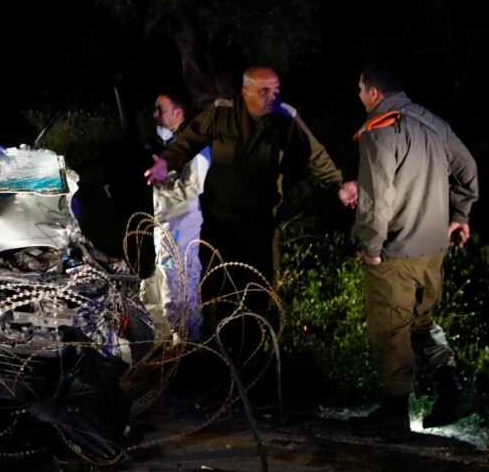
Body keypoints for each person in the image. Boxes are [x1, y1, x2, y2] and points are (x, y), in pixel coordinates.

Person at [144, 66, 358, 363]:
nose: (273, 96)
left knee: (257, 290)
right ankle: (218, 357)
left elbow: (313, 153)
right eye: (264, 91)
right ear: (245, 93)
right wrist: (166, 162)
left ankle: (252, 359)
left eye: (276, 89)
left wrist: (337, 182)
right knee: (218, 290)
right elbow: (189, 139)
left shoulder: (285, 119)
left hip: (260, 224)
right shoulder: (221, 114)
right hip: (220, 222)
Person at [348, 62, 479, 439]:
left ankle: (394, 411)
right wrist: (460, 215)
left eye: (360, 90)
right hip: (434, 246)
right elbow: (468, 167)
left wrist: (371, 246)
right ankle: (452, 391)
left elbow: (377, 195)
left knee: (390, 328)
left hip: (396, 251)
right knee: (422, 323)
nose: (359, 97)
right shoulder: (433, 123)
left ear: (374, 93)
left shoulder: (379, 130)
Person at [140, 92, 210, 344]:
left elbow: (194, 186)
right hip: (165, 224)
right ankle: (164, 345)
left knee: (178, 288)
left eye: (161, 109)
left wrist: (164, 182)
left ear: (178, 113)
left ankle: (186, 347)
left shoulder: (194, 145)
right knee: (156, 288)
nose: (155, 114)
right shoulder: (166, 144)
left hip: (181, 225)